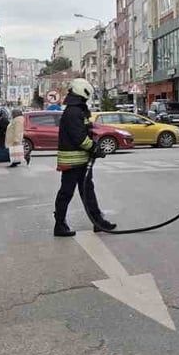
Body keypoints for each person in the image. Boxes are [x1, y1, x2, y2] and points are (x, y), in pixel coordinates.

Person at [53, 78, 115, 237]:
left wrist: (93, 144)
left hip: (80, 160)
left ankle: (98, 222)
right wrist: (95, 148)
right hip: (73, 162)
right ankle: (59, 225)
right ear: (83, 92)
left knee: (87, 191)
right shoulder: (74, 112)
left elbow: (86, 131)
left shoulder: (77, 110)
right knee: (66, 192)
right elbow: (79, 138)